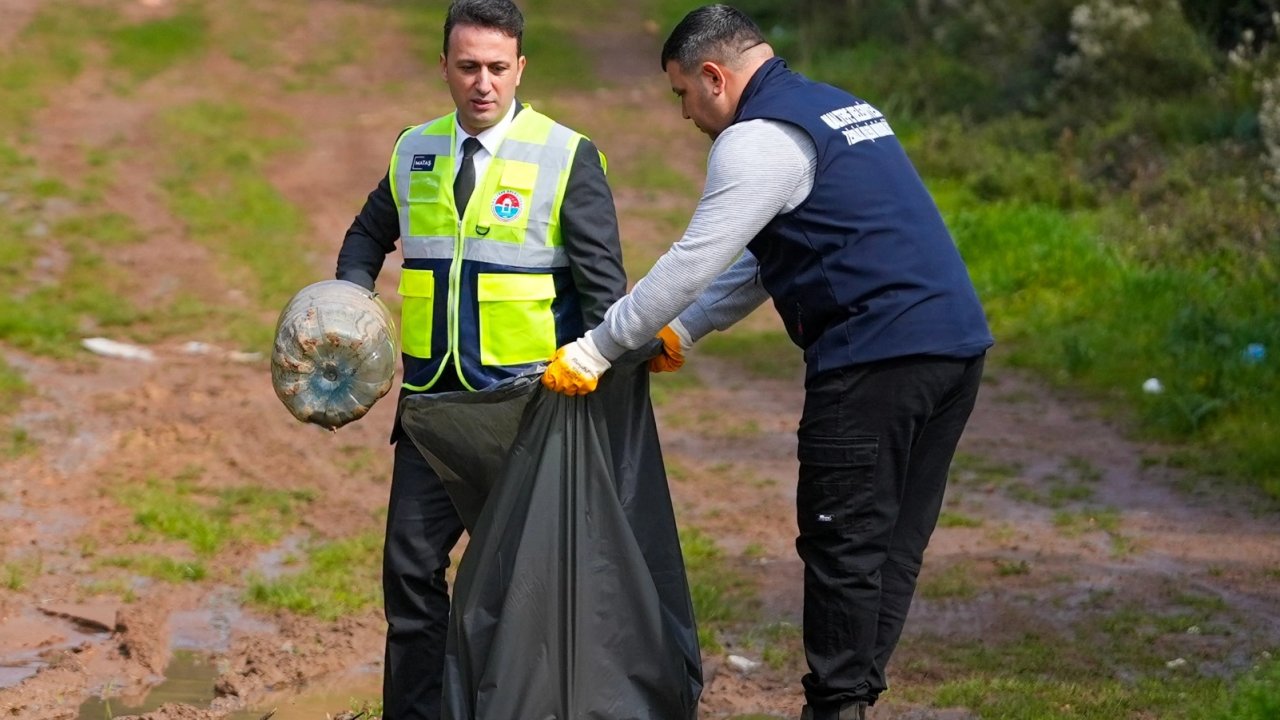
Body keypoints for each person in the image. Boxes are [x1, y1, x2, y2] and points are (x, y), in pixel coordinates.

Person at [541, 5, 992, 720]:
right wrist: (683, 332)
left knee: (843, 542)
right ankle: (852, 700)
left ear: (714, 76)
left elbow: (693, 260)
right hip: (954, 350)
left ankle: (836, 706)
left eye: (682, 93)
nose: (685, 114)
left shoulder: (756, 140)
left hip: (875, 357)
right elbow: (765, 257)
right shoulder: (838, 108)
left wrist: (598, 347)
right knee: (893, 541)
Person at [335, 1, 626, 717]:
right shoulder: (415, 150)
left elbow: (605, 293)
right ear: (444, 67)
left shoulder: (566, 155)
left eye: (498, 67)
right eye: (468, 67)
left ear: (521, 67)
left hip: (530, 415)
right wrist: (344, 306)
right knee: (410, 576)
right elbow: (367, 235)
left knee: (519, 595)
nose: (483, 83)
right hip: (431, 414)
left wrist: (597, 396)